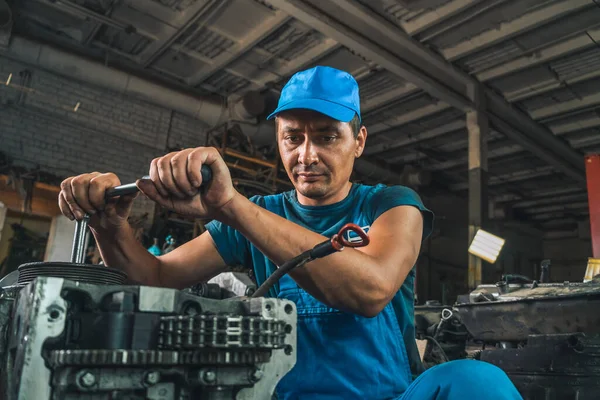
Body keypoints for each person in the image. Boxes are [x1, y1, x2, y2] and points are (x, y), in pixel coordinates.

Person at [58, 66, 522, 400]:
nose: (306, 154)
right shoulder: (259, 213)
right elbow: (155, 277)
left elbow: (372, 289)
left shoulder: (390, 204)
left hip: (387, 396)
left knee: (478, 383)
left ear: (358, 141)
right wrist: (110, 226)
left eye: (326, 136)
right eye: (291, 137)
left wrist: (231, 206)